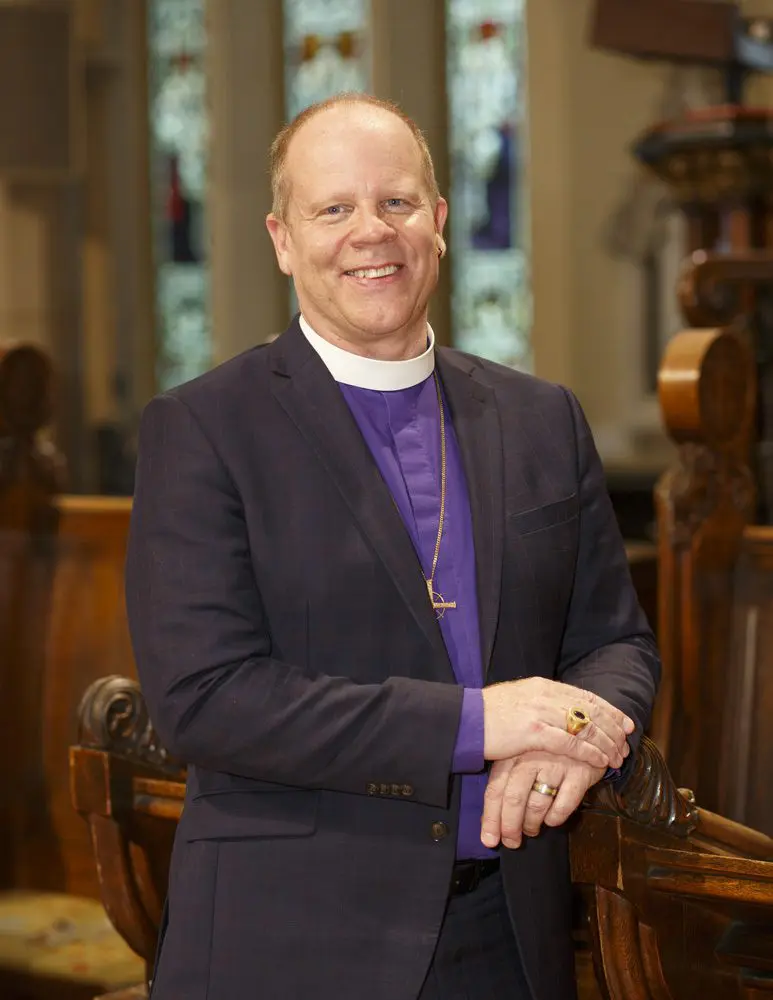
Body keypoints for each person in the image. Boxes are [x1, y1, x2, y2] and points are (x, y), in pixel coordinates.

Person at [125, 93, 659, 1000]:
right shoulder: (204, 428)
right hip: (290, 936)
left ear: (440, 223)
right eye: (332, 209)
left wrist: (569, 737)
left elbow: (613, 640)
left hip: (509, 929)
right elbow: (205, 699)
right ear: (282, 238)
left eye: (397, 203)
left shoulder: (539, 418)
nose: (370, 233)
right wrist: (484, 723)